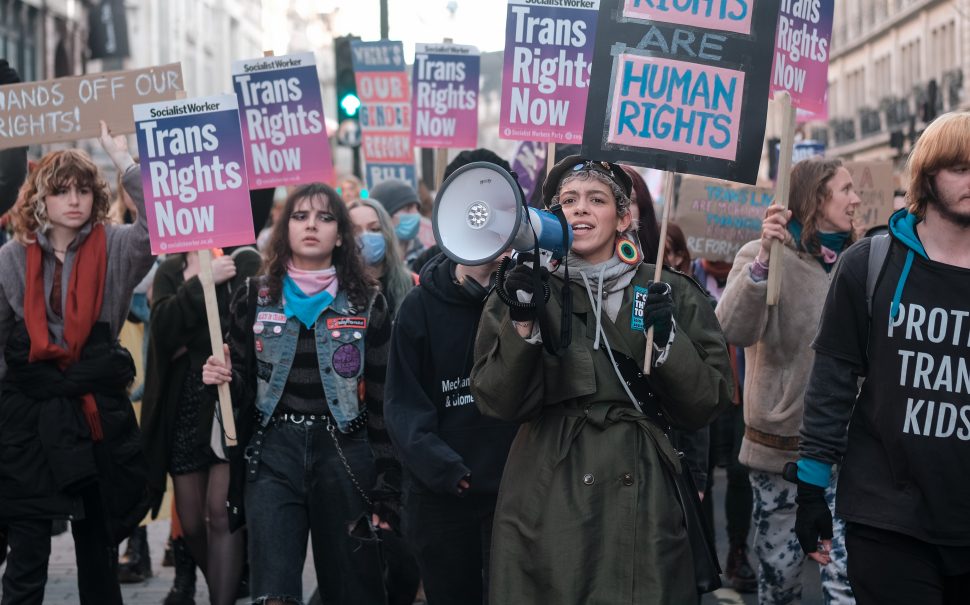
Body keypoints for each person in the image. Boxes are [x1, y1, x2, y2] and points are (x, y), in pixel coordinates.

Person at [471, 155, 733, 603]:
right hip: (548, 486)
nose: (580, 209)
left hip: (643, 489)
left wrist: (669, 344)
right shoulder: (522, 290)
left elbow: (708, 403)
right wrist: (522, 325)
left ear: (624, 216)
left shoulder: (668, 292)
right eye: (568, 200)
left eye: (596, 199)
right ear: (552, 216)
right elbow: (496, 401)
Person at [793, 111, 970, 604]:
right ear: (927, 176)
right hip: (888, 517)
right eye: (961, 167)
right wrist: (810, 490)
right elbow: (830, 382)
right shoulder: (869, 264)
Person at [201, 183, 399, 604]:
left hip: (345, 452)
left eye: (325, 218)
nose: (312, 225)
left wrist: (388, 481)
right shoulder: (253, 296)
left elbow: (383, 399)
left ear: (341, 234)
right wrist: (221, 376)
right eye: (300, 216)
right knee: (273, 592)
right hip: (273, 453)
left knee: (351, 589)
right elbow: (241, 390)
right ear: (284, 228)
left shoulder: (368, 304)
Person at [0, 123, 152, 604]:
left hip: (94, 413)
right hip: (30, 416)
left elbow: (158, 224)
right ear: (40, 198)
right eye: (61, 190)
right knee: (27, 552)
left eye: (84, 189)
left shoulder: (118, 246)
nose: (74, 200)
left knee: (98, 549)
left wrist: (123, 158)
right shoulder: (10, 258)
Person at [716, 158, 859, 605]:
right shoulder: (766, 255)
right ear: (816, 199)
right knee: (781, 579)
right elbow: (730, 330)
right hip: (780, 451)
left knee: (846, 579)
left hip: (846, 448)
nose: (857, 200)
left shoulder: (856, 263)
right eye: (846, 190)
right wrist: (761, 261)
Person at [386, 244, 518, 604]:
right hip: (442, 496)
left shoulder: (527, 298)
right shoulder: (418, 307)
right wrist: (444, 468)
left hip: (513, 491)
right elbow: (403, 405)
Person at [140, 246, 260, 605]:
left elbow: (241, 332)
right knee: (191, 522)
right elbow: (161, 331)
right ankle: (232, 581)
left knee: (221, 513)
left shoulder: (244, 261)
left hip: (226, 398)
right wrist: (201, 283)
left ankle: (222, 597)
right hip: (183, 405)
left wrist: (188, 343)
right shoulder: (171, 270)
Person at [348, 198, 415, 316]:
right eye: (355, 231)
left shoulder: (413, 284)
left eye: (374, 229)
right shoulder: (336, 291)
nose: (365, 236)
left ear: (387, 233)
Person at [369, 179, 425, 269]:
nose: (416, 214)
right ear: (386, 216)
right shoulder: (373, 260)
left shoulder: (427, 258)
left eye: (417, 208)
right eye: (408, 208)